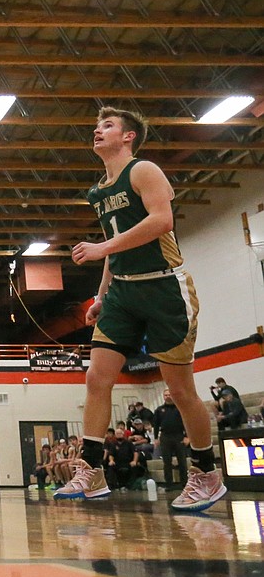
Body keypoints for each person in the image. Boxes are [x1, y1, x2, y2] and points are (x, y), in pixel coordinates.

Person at [56, 107, 225, 512]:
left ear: (129, 137)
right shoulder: (100, 189)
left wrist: (100, 250)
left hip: (165, 288)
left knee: (181, 391)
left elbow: (162, 221)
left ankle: (206, 473)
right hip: (123, 296)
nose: (98, 130)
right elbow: (117, 247)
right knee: (97, 378)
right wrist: (100, 296)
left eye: (108, 126)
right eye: (96, 125)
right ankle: (92, 469)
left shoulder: (143, 170)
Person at [153, 389, 189, 489]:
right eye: (165, 395)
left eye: (169, 394)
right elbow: (156, 425)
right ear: (163, 397)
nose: (168, 396)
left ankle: (184, 483)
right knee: (167, 462)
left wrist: (187, 436)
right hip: (165, 436)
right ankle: (168, 484)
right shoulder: (159, 410)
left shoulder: (180, 408)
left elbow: (186, 423)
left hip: (179, 436)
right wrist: (156, 438)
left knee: (182, 461)